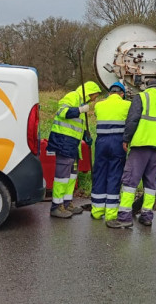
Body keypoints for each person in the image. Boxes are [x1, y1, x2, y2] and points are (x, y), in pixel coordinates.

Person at [107, 78, 156, 228]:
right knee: (150, 185)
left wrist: (126, 139)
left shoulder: (141, 97)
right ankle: (147, 216)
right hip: (155, 151)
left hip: (140, 146)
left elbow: (132, 120)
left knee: (130, 182)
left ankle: (124, 217)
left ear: (147, 87)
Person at [48, 81, 101, 219]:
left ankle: (66, 203)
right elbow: (62, 112)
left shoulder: (82, 103)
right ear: (90, 92)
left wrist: (86, 136)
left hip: (73, 144)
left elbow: (77, 126)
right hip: (63, 142)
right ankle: (56, 206)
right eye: (94, 95)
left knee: (71, 175)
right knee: (62, 176)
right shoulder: (73, 96)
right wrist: (79, 110)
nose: (94, 99)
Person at [90, 81, 131, 222]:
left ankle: (96, 210)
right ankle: (111, 213)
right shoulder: (127, 105)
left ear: (109, 93)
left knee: (100, 173)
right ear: (122, 94)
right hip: (118, 143)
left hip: (101, 142)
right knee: (114, 174)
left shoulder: (99, 105)